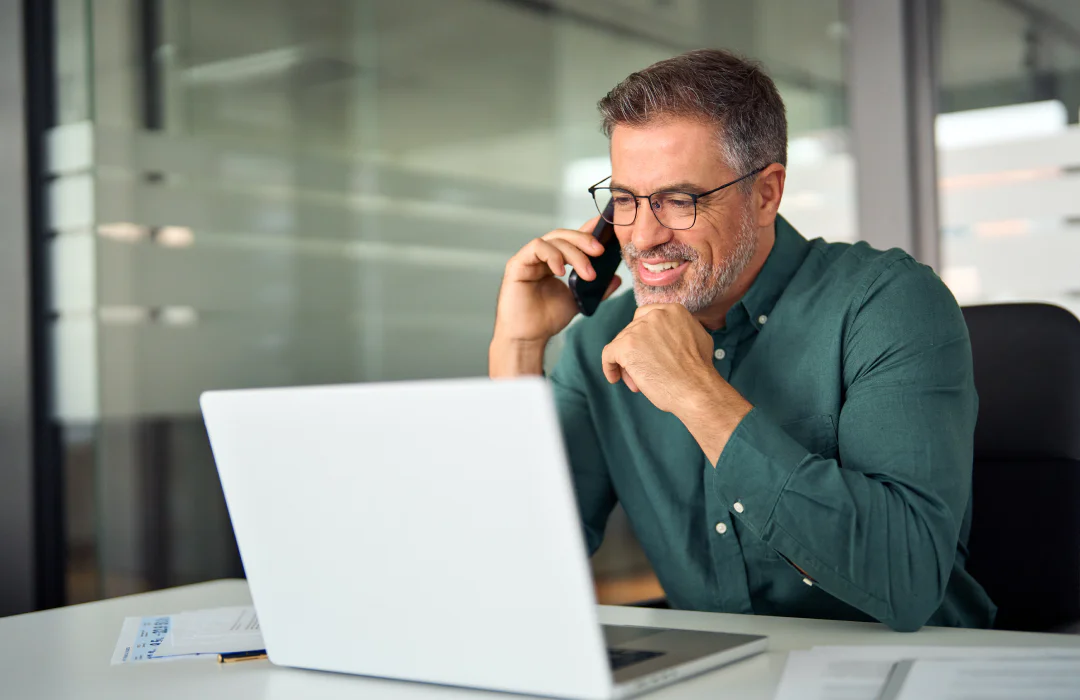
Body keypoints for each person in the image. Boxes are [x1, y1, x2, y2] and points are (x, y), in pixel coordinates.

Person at [488, 49, 995, 632]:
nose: (644, 236)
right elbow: (519, 565)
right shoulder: (599, 339)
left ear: (765, 194)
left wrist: (697, 394)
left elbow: (908, 580)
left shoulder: (887, 302)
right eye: (625, 200)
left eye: (680, 201)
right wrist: (518, 348)